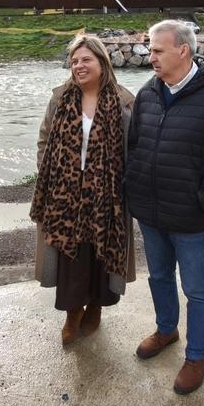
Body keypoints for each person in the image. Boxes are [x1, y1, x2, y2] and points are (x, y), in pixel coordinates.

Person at [125, 20, 204, 394]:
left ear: (183, 51)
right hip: (151, 210)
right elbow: (133, 147)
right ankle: (166, 330)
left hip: (191, 215)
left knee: (197, 287)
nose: (150, 57)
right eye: (150, 49)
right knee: (159, 276)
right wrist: (134, 189)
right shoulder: (148, 92)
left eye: (157, 50)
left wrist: (203, 195)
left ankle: (198, 356)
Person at [31, 35, 137, 344]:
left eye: (86, 60)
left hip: (107, 197)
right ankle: (72, 312)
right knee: (71, 255)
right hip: (65, 196)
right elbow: (44, 140)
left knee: (101, 254)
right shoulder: (60, 98)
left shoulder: (123, 102)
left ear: (102, 63)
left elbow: (132, 149)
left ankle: (96, 307)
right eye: (74, 61)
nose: (79, 66)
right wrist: (51, 178)